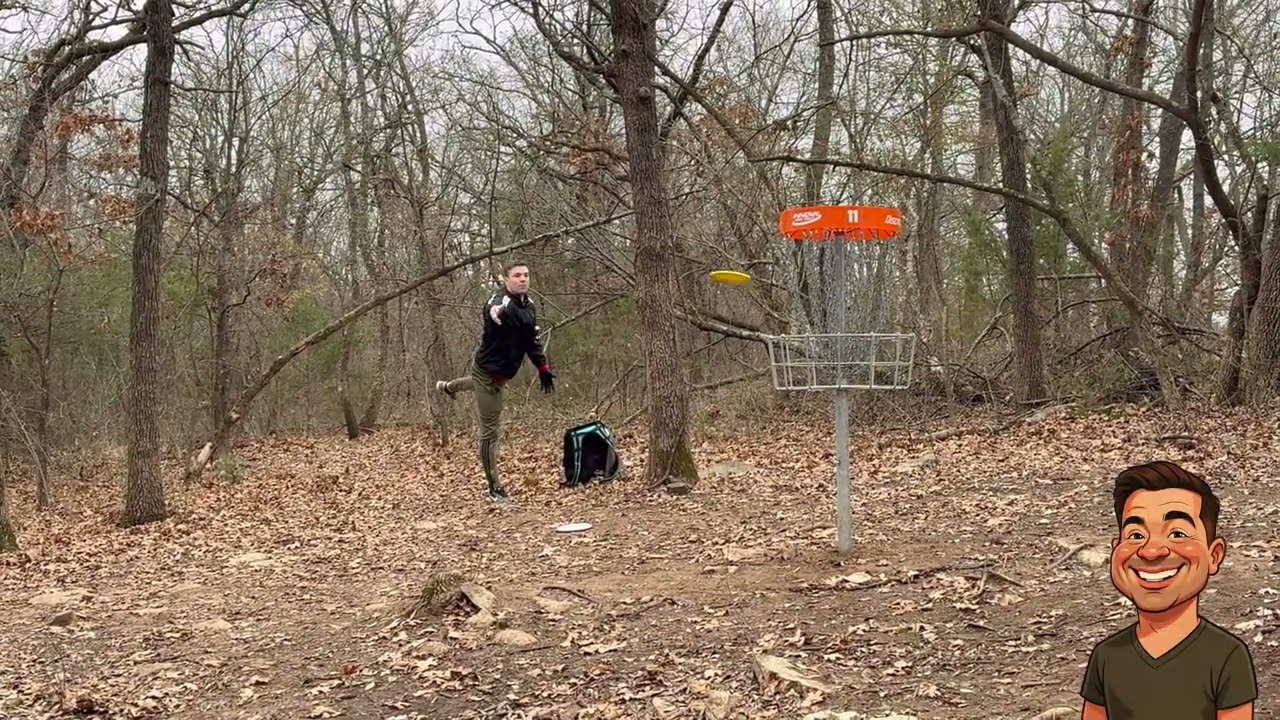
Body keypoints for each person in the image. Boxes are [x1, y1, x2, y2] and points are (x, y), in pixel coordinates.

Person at [1079, 460, 1257, 719]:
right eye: (1136, 535)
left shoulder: (1227, 656)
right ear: (1116, 548)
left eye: (1177, 534)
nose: (1151, 551)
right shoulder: (1106, 657)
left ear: (1214, 555)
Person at [435, 261, 555, 502]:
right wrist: (495, 312)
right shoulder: (501, 301)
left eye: (526, 275)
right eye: (517, 275)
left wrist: (542, 367)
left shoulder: (529, 305)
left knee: (476, 385)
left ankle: (448, 387)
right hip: (487, 372)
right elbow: (494, 308)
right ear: (505, 279)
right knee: (490, 432)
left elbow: (531, 341)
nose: (523, 279)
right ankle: (494, 488)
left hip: (501, 374)